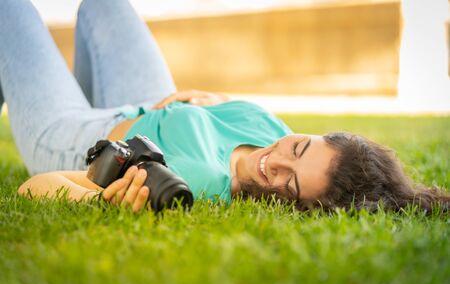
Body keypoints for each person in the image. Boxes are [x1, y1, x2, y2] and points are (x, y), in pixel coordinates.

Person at [1, 0, 448, 213]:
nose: (274, 163)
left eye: (289, 186)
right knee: (105, 6)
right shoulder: (271, 127)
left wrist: (102, 201)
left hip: (76, 136)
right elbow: (225, 112)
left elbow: (36, 187)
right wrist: (206, 101)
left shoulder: (197, 184)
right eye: (297, 149)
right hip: (147, 102)